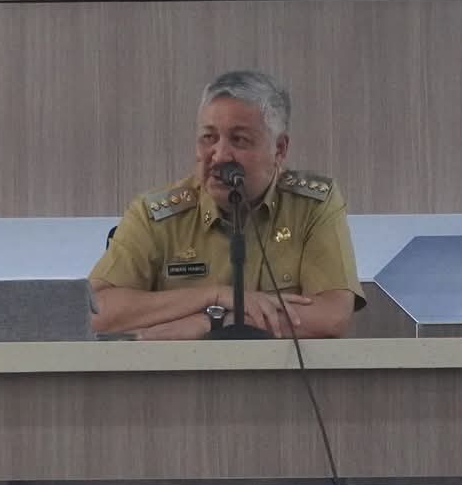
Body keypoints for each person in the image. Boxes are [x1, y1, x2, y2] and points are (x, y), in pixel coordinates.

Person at [90, 70, 362, 339]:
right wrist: (213, 296)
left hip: (278, 368)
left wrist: (216, 321)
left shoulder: (311, 205)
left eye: (239, 140)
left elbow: (332, 314)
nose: (219, 156)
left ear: (279, 149)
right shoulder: (155, 215)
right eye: (208, 138)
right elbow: (95, 312)